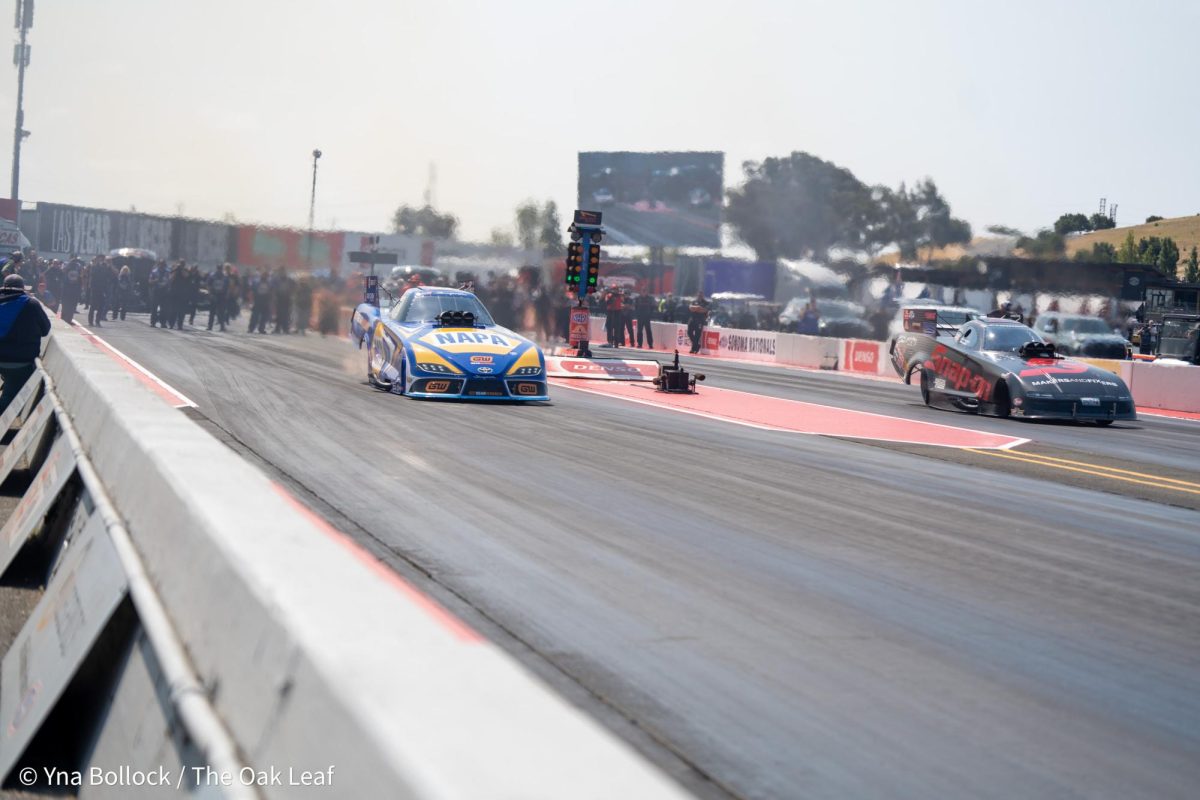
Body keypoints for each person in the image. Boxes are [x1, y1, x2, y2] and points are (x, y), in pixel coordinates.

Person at [0, 275, 51, 415]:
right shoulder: (31, 304)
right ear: (23, 288)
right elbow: (45, 330)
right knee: (10, 397)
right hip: (21, 361)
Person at [87, 257, 116, 327]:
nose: (102, 261)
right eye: (101, 259)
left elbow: (112, 276)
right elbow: (92, 275)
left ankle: (97, 321)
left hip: (103, 289)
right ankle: (90, 321)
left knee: (101, 305)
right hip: (95, 288)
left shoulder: (106, 267)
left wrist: (110, 267)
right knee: (93, 306)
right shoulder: (94, 267)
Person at [248, 268, 272, 333]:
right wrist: (251, 301)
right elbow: (252, 291)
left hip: (265, 301)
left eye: (266, 275)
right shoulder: (256, 282)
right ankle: (251, 328)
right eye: (264, 275)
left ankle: (261, 328)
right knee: (255, 316)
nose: (265, 276)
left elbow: (270, 292)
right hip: (258, 301)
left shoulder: (269, 283)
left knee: (264, 317)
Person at [61, 256, 83, 325]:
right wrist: (69, 264)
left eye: (75, 261)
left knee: (72, 305)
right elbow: (63, 270)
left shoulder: (79, 267)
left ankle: (69, 319)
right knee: (65, 305)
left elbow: (81, 276)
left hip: (75, 288)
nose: (74, 262)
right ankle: (63, 319)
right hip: (67, 287)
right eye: (73, 261)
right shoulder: (66, 265)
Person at [206, 266, 229, 331]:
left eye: (220, 269)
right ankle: (210, 326)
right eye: (219, 268)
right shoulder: (213, 276)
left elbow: (227, 287)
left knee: (220, 312)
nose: (219, 270)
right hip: (215, 295)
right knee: (213, 312)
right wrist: (210, 293)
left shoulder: (224, 276)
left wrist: (226, 295)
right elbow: (208, 285)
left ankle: (221, 326)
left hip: (221, 296)